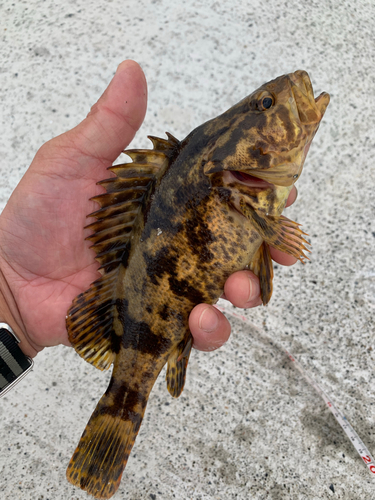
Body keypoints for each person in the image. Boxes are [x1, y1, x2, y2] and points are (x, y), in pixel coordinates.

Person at [0, 60, 297, 360]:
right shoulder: (223, 165)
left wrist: (13, 310)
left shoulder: (228, 169)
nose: (289, 96)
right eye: (266, 104)